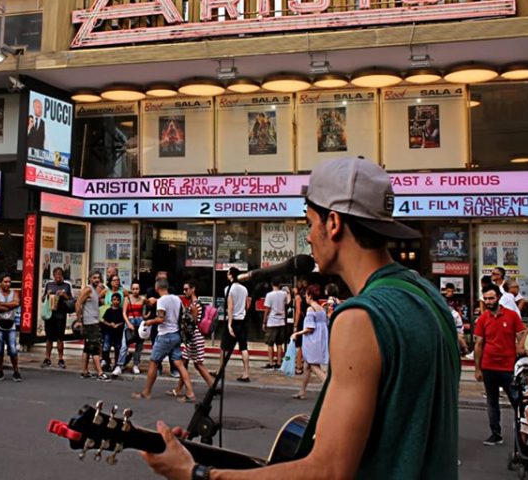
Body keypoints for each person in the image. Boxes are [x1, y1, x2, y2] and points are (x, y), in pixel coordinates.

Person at [143, 157, 460, 479]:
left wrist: (197, 474)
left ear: (333, 223)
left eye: (309, 222)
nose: (308, 237)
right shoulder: (426, 294)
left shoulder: (361, 319)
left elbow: (328, 471)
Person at [475, 284, 526, 445]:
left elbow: (521, 336)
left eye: (491, 298)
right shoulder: (483, 319)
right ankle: (495, 434)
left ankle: (524, 434)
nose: (489, 302)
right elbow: (478, 344)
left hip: (508, 367)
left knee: (517, 401)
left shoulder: (512, 316)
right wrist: (477, 368)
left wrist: (521, 359)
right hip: (489, 366)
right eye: (486, 299)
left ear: (498, 297)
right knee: (492, 401)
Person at [132, 276, 195, 401]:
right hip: (176, 335)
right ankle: (190, 393)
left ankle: (146, 392)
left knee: (153, 363)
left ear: (157, 287)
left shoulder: (162, 301)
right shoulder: (177, 299)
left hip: (164, 336)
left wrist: (149, 322)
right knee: (180, 364)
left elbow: (161, 318)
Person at [170, 280, 213, 400]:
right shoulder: (195, 303)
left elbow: (193, 323)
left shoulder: (194, 304)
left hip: (194, 338)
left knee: (197, 364)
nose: (184, 292)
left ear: (193, 289)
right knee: (184, 363)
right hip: (193, 338)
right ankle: (178, 389)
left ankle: (213, 388)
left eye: (186, 289)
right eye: (184, 290)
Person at [291, 289, 329, 400]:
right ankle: (302, 391)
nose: (305, 297)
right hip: (320, 340)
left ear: (310, 296)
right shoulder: (321, 309)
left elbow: (310, 328)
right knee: (307, 366)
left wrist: (297, 333)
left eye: (306, 295)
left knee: (312, 365)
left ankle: (328, 384)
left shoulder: (310, 309)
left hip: (312, 341)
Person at [76, 271, 110, 382]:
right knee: (95, 347)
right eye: (94, 278)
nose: (97, 280)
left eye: (98, 278)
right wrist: (79, 320)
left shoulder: (95, 291)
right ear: (90, 279)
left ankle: (85, 371)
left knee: (87, 347)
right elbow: (78, 303)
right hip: (89, 322)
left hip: (93, 321)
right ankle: (100, 372)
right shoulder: (88, 289)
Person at [221, 266, 251, 382]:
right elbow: (247, 305)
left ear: (232, 275)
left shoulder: (229, 289)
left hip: (233, 320)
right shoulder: (244, 289)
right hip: (242, 320)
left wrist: (229, 324)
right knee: (243, 347)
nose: (227, 275)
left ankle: (220, 371)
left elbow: (230, 307)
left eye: (228, 274)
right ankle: (246, 373)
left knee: (224, 347)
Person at [0, 273, 21, 382]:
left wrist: (3, 303)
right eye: (5, 281)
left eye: (9, 281)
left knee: (13, 349)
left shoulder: (15, 293)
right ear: (0, 283)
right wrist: (10, 305)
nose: (8, 284)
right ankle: (0, 370)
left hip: (11, 324)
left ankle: (16, 371)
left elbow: (17, 303)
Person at [41, 267, 72, 369]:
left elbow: (71, 300)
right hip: (50, 314)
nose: (58, 276)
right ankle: (47, 358)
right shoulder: (49, 285)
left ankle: (60, 359)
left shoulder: (66, 286)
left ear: (62, 275)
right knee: (49, 338)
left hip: (61, 315)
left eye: (60, 274)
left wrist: (64, 295)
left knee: (60, 338)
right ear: (53, 275)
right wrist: (47, 294)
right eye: (56, 274)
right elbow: (42, 299)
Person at [118, 280, 146, 375]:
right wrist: (128, 323)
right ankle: (120, 364)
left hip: (139, 321)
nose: (135, 291)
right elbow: (124, 313)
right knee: (124, 344)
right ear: (131, 289)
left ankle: (136, 364)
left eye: (137, 289)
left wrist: (145, 318)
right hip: (129, 320)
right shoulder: (127, 299)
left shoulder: (143, 299)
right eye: (133, 289)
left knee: (139, 346)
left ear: (139, 289)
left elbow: (143, 312)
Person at [262, 278, 288, 369]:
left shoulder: (269, 295)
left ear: (272, 284)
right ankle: (279, 362)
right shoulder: (283, 294)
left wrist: (264, 321)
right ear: (280, 284)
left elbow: (267, 309)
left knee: (270, 343)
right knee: (279, 343)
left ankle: (271, 362)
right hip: (281, 321)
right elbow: (287, 302)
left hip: (272, 321)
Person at [101, 293, 125, 376]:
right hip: (109, 332)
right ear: (111, 301)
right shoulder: (108, 310)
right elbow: (104, 320)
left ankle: (116, 364)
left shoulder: (121, 311)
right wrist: (110, 324)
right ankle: (106, 362)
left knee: (117, 347)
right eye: (114, 300)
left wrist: (118, 325)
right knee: (106, 347)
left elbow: (123, 321)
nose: (116, 301)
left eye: (118, 300)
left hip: (118, 333)